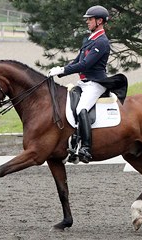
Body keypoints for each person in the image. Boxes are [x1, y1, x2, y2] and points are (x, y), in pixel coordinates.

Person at [48, 5, 110, 163]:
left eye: (90, 19)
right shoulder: (89, 39)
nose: (87, 22)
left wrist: (63, 69)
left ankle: (86, 148)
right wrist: (60, 71)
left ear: (99, 21)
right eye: (87, 19)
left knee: (82, 108)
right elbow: (78, 61)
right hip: (83, 83)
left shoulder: (102, 42)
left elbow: (86, 65)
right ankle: (72, 141)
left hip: (96, 83)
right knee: (67, 105)